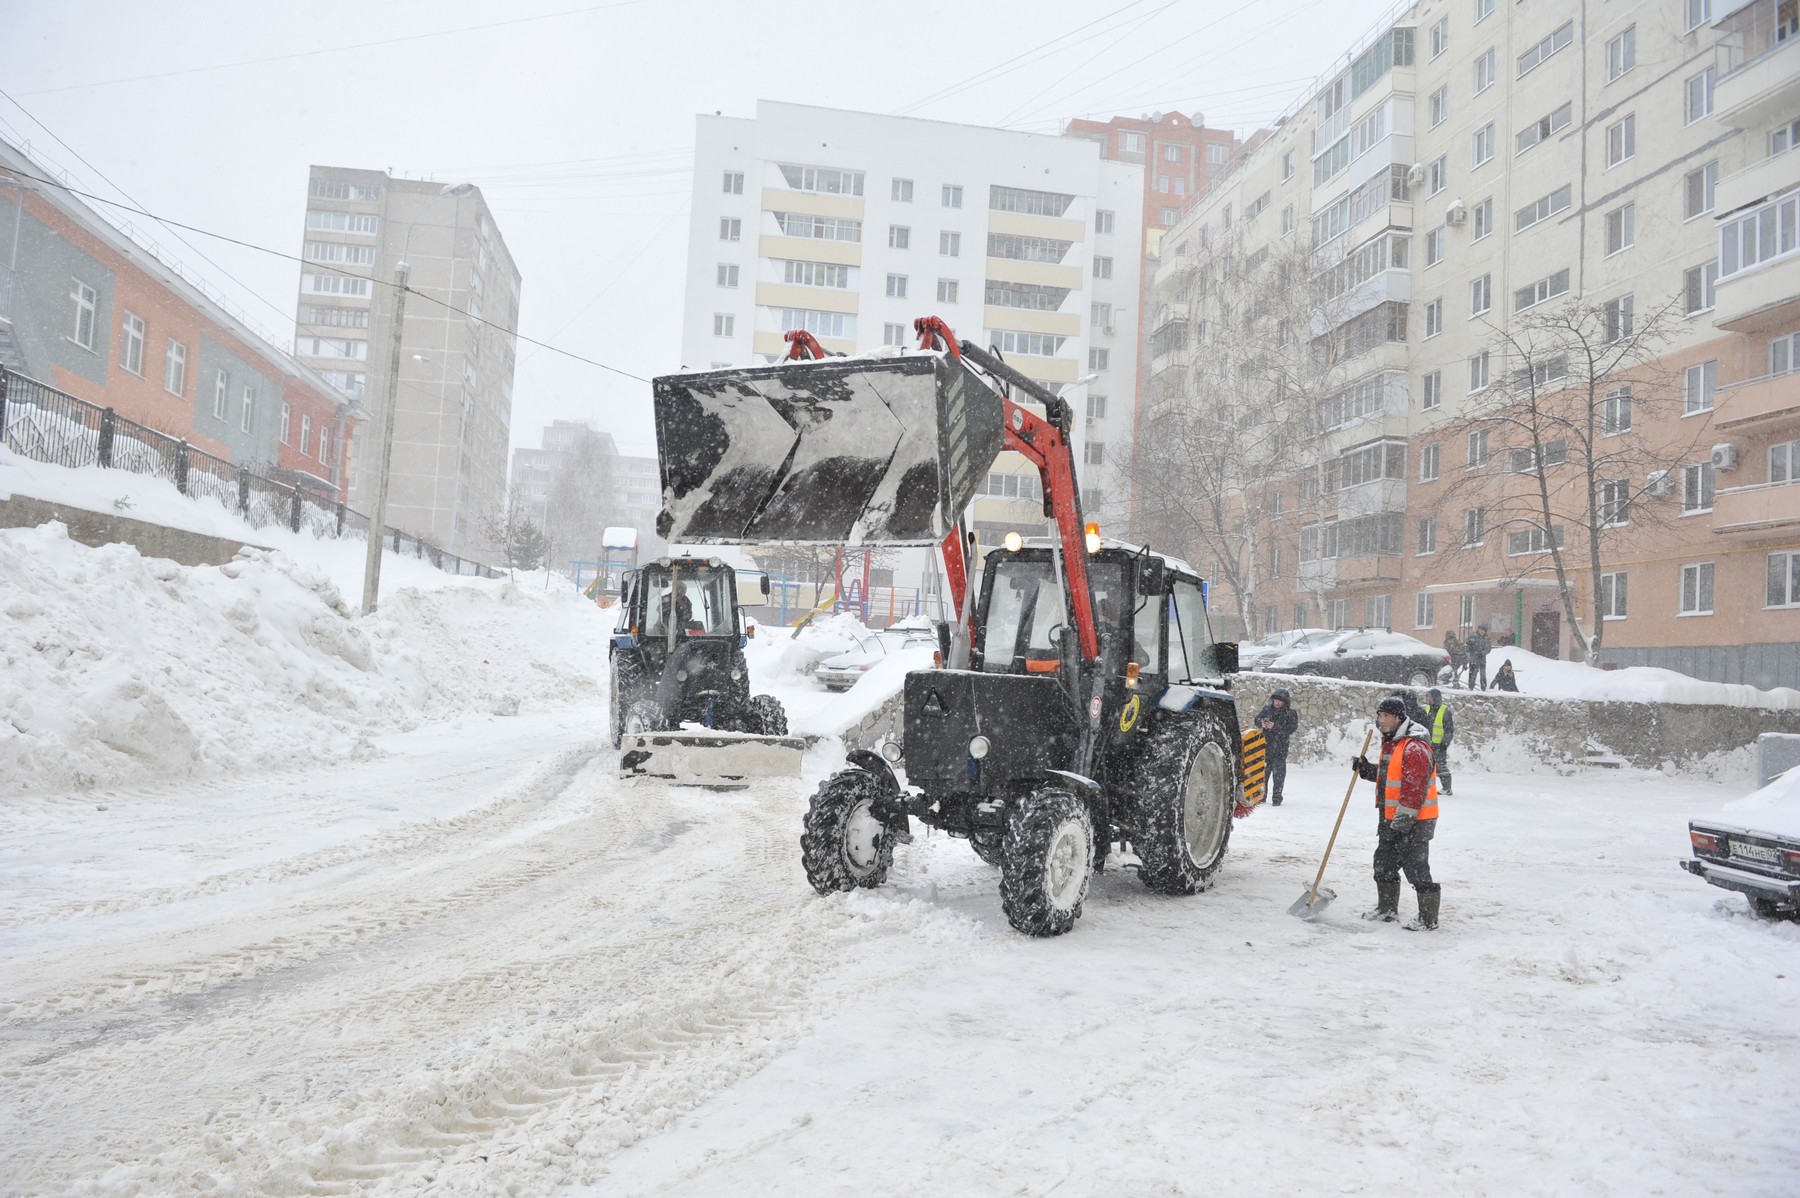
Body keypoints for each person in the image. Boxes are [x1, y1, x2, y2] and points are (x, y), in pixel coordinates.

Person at [1351, 695, 1442, 930]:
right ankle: (1387, 909)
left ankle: (1427, 919)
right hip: (1392, 819)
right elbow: (1389, 779)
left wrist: (1401, 826)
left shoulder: (1414, 747)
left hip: (1413, 821)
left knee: (1416, 869)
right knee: (1383, 864)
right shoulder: (1393, 743)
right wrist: (1366, 769)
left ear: (1398, 718)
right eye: (1379, 716)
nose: (1381, 721)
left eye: (1386, 716)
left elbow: (1413, 790)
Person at [1254, 688, 1299, 806]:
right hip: (1266, 746)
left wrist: (1275, 726)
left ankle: (1277, 798)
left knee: (1279, 775)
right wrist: (1262, 723)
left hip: (1280, 748)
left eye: (1280, 700)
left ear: (1285, 702)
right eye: (1275, 700)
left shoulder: (1290, 713)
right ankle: (1261, 796)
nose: (1277, 702)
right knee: (1263, 774)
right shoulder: (1267, 710)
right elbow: (1257, 719)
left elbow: (1291, 728)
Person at [1423, 687, 1455, 796]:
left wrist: (1444, 743)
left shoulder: (1445, 711)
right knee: (1426, 766)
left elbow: (1449, 730)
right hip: (1428, 744)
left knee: (1441, 767)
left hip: (1440, 745)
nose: (1427, 699)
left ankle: (1447, 788)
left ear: (1435, 698)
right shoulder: (1426, 709)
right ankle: (1425, 787)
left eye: (1429, 696)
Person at [1464, 623, 1493, 691]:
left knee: (1482, 674)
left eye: (1484, 630)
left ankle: (1483, 687)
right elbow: (1467, 645)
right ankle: (1471, 687)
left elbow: (1488, 648)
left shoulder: (1486, 638)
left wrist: (1483, 653)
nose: (1482, 632)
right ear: (1478, 629)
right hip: (1473, 658)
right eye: (1481, 630)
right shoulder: (1473, 636)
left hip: (1482, 658)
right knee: (1473, 673)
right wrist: (1469, 650)